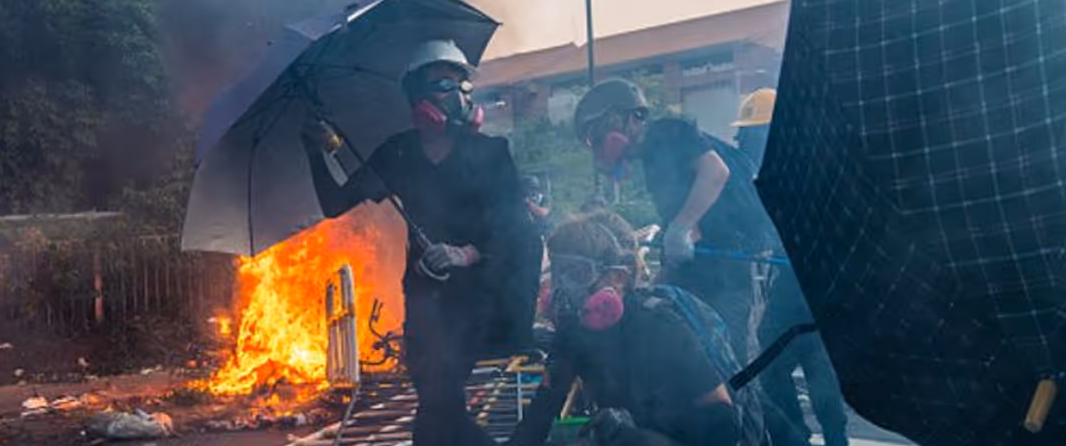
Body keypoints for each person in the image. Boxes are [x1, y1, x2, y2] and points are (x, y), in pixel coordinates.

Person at [301, 39, 541, 446]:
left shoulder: (490, 153)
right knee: (436, 411)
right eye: (444, 85)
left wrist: (465, 253)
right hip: (424, 299)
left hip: (477, 300)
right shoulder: (397, 153)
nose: (459, 95)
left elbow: (516, 231)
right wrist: (313, 147)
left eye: (462, 85)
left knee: (438, 409)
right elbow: (334, 203)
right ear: (418, 98)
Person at [508, 216, 767, 446]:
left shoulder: (660, 326)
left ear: (618, 278)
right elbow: (541, 412)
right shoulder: (573, 333)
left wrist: (643, 436)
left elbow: (723, 422)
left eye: (577, 274)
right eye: (559, 273)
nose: (565, 288)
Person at [572, 79, 775, 367]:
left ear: (625, 118)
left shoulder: (666, 133)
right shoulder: (655, 160)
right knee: (700, 353)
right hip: (709, 269)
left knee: (727, 360)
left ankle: (740, 411)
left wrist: (681, 227)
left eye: (597, 135)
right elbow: (683, 222)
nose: (598, 146)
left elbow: (716, 173)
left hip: (732, 265)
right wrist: (663, 277)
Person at [732, 89, 849, 446]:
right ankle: (802, 436)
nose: (747, 143)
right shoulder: (768, 174)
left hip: (813, 285)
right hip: (792, 285)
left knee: (815, 364)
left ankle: (826, 438)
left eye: (753, 135)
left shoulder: (804, 167)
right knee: (782, 361)